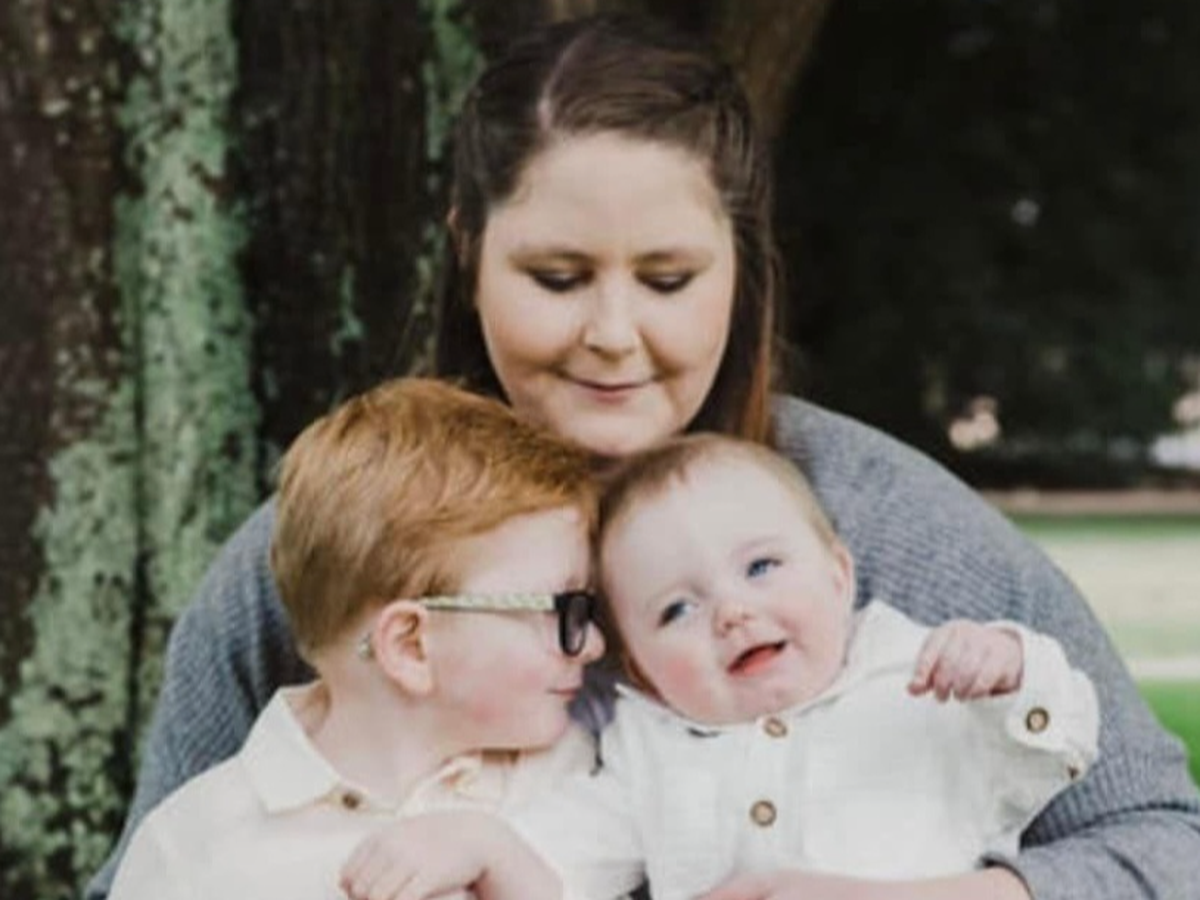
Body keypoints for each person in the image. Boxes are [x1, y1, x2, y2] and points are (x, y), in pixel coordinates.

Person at [88, 12, 1200, 900]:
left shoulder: (888, 524)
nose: (613, 334)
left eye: (668, 280)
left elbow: (1162, 845)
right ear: (470, 255)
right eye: (557, 278)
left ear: (741, 266)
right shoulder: (334, 547)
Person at [338, 433, 1102, 900]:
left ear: (839, 575)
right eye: (677, 609)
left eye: (762, 567)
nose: (732, 612)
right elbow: (563, 863)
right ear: (641, 671)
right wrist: (475, 842)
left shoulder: (919, 681)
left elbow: (1058, 744)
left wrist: (1010, 663)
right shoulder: (648, 752)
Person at [107, 377, 605, 900]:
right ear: (411, 645)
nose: (593, 644)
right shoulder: (193, 848)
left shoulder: (570, 783)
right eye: (565, 610)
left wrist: (496, 853)